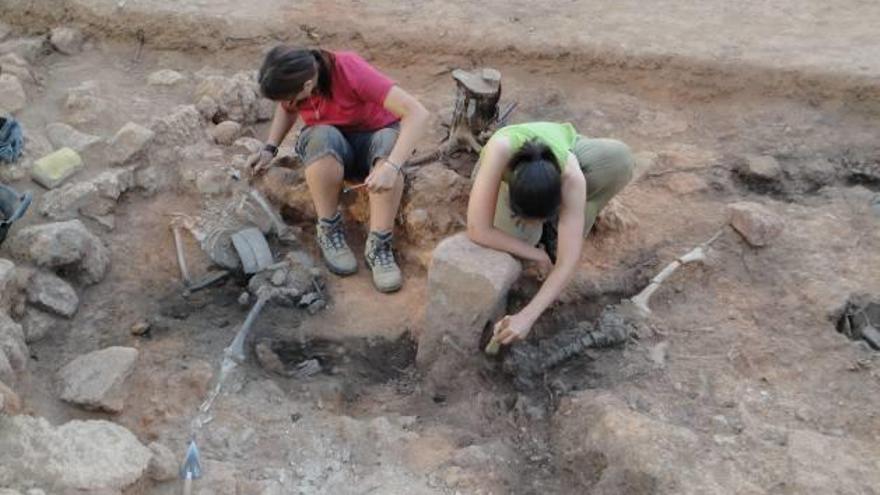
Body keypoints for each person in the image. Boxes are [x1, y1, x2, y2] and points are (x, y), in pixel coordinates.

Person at [248, 46, 429, 293]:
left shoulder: (348, 69)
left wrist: (391, 166)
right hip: (332, 145)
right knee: (321, 136)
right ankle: (329, 228)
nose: (287, 104)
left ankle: (379, 244)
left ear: (308, 85)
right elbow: (286, 110)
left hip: (374, 139)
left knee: (389, 143)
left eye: (290, 98)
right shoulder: (298, 85)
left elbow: (417, 113)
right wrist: (270, 148)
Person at [467, 122, 634, 345]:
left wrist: (527, 317)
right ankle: (533, 231)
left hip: (569, 148)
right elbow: (478, 229)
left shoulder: (571, 176)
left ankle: (562, 226)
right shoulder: (499, 151)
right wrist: (535, 254)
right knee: (517, 239)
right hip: (502, 172)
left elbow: (568, 262)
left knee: (620, 159)